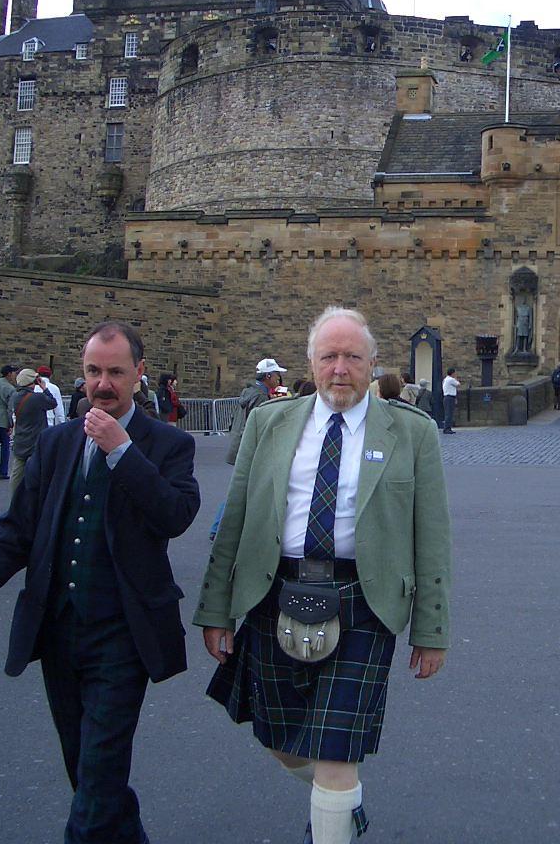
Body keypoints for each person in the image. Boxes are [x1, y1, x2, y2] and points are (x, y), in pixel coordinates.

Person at [195, 306, 451, 844]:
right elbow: (235, 518)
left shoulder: (412, 432)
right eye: (329, 356)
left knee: (337, 751)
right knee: (279, 739)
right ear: (310, 363)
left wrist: (431, 630)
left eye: (353, 357)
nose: (340, 369)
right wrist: (216, 610)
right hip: (274, 592)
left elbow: (431, 538)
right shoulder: (269, 422)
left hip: (363, 602)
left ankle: (333, 806)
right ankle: (339, 801)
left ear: (372, 364)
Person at [0, 322, 201, 843]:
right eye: (93, 371)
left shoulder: (168, 444)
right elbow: (19, 526)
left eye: (115, 372)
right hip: (59, 630)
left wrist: (123, 451)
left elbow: (175, 515)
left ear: (139, 373)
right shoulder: (57, 441)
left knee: (98, 776)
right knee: (86, 770)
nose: (102, 384)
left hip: (123, 634)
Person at [7, 367, 57, 497]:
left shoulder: (15, 397)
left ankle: (15, 499)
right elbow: (53, 403)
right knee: (38, 474)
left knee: (17, 474)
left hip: (20, 440)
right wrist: (44, 388)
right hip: (35, 441)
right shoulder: (37, 398)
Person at [226, 358, 288, 464]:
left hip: (239, 446)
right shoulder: (260, 397)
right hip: (250, 451)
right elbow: (260, 426)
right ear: (268, 376)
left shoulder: (249, 392)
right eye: (276, 374)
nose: (278, 377)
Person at [0, 364, 19, 481]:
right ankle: (2, 471)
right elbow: (10, 408)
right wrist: (11, 424)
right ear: (9, 374)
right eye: (14, 373)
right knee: (5, 446)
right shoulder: (11, 389)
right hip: (3, 420)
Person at [441, 367, 460, 433]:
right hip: (449, 397)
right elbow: (458, 384)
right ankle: (447, 428)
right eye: (455, 373)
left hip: (447, 397)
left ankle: (448, 428)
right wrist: (456, 378)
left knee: (448, 413)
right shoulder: (451, 379)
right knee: (449, 414)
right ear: (452, 373)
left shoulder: (445, 379)